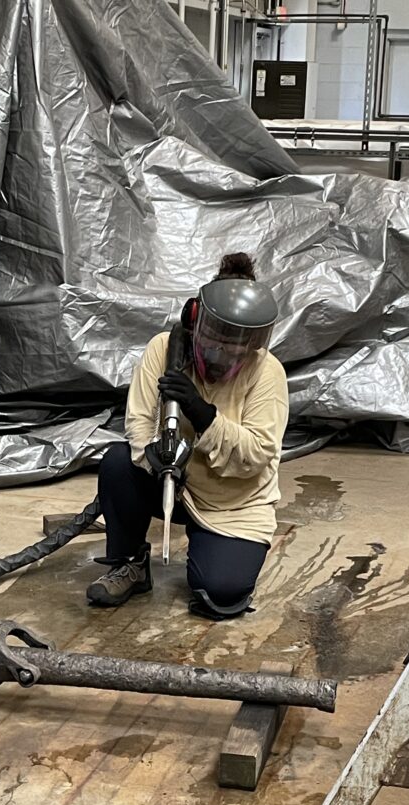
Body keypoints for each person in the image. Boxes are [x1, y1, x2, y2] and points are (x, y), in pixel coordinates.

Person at [86, 253, 289, 620]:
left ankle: (212, 554)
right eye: (215, 339)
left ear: (255, 343)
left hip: (233, 504)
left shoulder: (267, 373)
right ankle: (130, 562)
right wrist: (153, 457)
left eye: (236, 346)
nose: (222, 354)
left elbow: (257, 454)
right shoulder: (163, 350)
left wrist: (202, 413)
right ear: (195, 318)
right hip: (172, 483)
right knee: (117, 463)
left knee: (220, 595)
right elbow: (139, 423)